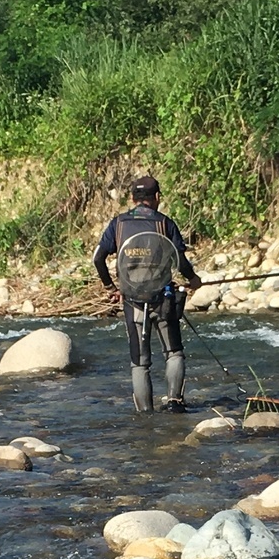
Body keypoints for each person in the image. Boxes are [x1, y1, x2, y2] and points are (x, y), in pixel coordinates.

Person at [92, 174, 202, 412]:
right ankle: (175, 403)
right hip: (163, 299)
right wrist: (193, 279)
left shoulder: (117, 224)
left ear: (132, 198)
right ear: (158, 197)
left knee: (140, 364)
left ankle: (145, 415)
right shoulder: (165, 223)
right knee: (174, 353)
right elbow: (180, 261)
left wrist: (110, 287)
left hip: (132, 301)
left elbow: (97, 258)